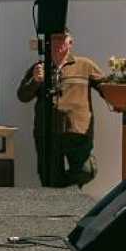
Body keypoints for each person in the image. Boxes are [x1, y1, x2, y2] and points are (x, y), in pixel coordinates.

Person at [17, 29, 109, 187]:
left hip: (77, 131)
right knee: (48, 177)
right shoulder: (39, 67)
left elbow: (106, 89)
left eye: (62, 39)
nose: (58, 42)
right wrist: (35, 80)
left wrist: (120, 96)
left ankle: (61, 189)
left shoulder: (85, 65)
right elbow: (22, 96)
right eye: (54, 39)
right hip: (47, 132)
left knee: (86, 171)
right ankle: (59, 202)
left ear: (70, 43)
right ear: (48, 43)